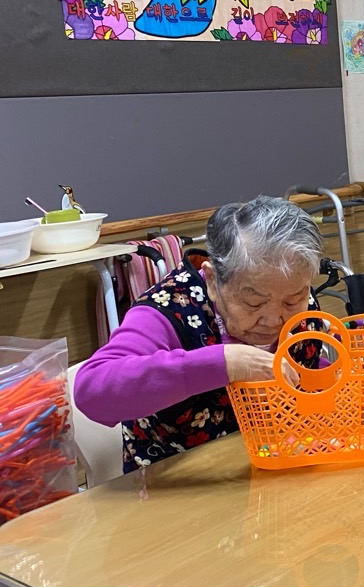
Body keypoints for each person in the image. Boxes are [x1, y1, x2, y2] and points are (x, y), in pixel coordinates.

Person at [75, 196, 325, 472]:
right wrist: (225, 363)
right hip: (178, 485)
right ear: (213, 281)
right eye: (254, 302)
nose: (274, 319)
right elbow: (91, 391)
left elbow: (307, 368)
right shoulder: (169, 309)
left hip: (279, 470)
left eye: (292, 300)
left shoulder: (302, 305)